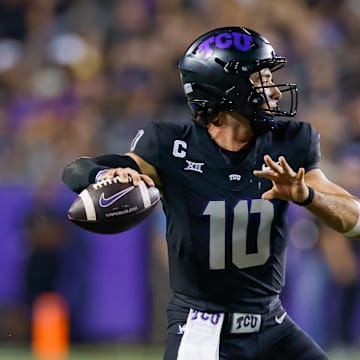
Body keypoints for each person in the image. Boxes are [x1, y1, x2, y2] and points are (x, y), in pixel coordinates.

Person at [62, 27, 360, 359]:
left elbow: (355, 219)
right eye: (261, 78)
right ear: (229, 89)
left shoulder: (288, 141)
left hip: (272, 324)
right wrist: (109, 174)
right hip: (203, 329)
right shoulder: (170, 145)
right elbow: (76, 170)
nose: (274, 91)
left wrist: (306, 195)